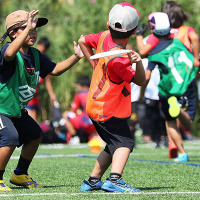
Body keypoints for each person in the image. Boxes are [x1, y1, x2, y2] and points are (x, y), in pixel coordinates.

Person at [0, 10, 83, 190]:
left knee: (35, 134)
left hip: (16, 111)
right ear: (13, 33)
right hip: (1, 110)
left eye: (34, 28)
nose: (33, 32)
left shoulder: (36, 55)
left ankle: (20, 174)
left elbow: (56, 69)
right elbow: (8, 55)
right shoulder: (8, 50)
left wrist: (76, 56)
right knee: (10, 137)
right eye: (26, 28)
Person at [78, 2, 146, 193]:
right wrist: (138, 63)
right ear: (132, 32)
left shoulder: (104, 36)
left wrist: (95, 65)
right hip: (106, 109)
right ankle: (114, 179)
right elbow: (140, 80)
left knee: (114, 144)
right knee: (125, 143)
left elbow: (83, 40)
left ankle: (92, 180)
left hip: (97, 104)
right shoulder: (120, 60)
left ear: (109, 25)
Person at [140, 12, 199, 162]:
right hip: (187, 85)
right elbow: (194, 63)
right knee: (188, 125)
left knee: (170, 121)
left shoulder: (154, 53)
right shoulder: (179, 43)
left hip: (167, 90)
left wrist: (141, 93)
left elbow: (146, 76)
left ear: (153, 30)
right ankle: (179, 111)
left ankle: (182, 153)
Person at [26, 37, 58, 121]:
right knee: (31, 118)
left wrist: (52, 96)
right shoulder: (28, 56)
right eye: (40, 45)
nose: (40, 48)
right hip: (26, 95)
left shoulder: (44, 61)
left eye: (44, 48)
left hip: (35, 96)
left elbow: (47, 81)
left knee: (34, 118)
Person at [63, 75, 97, 144]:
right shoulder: (96, 92)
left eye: (78, 85)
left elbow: (73, 110)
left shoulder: (79, 95)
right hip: (98, 123)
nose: (77, 87)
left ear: (84, 86)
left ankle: (74, 137)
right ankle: (95, 136)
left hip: (85, 124)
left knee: (66, 115)